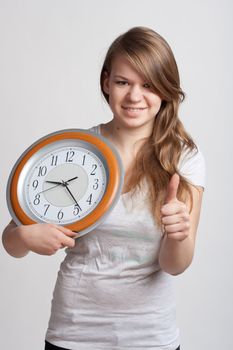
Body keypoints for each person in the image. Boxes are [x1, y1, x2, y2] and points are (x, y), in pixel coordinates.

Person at [2, 26, 205, 350]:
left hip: (150, 336)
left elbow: (175, 265)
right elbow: (11, 242)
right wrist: (25, 236)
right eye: (124, 82)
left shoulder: (184, 158)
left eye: (148, 84)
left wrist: (178, 234)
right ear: (106, 82)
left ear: (166, 89)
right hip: (72, 332)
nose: (134, 96)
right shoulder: (75, 149)